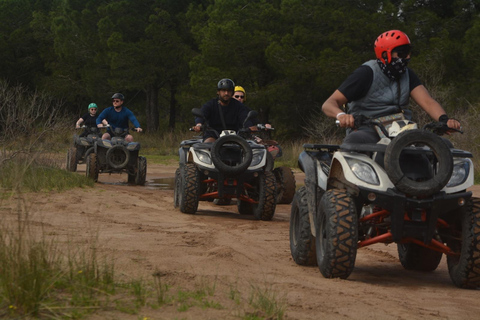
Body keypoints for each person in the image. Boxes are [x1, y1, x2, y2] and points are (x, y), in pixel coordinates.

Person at [322, 29, 461, 145]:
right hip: (368, 129)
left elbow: (428, 102)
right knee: (354, 141)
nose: (407, 57)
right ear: (385, 54)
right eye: (401, 54)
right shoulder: (366, 73)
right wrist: (342, 116)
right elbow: (329, 104)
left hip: (402, 129)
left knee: (443, 145)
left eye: (408, 53)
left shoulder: (408, 75)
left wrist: (444, 120)